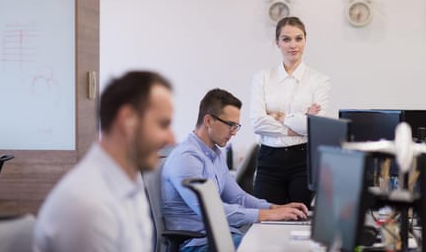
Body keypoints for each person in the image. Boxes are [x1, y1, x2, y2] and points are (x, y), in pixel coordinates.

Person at [33, 71, 175, 252]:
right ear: (128, 120)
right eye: (163, 124)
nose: (172, 139)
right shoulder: (89, 205)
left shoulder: (129, 183)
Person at [162, 88, 308, 252]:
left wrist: (275, 208)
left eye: (236, 126)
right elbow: (212, 212)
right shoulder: (186, 158)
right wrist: (266, 215)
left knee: (280, 242)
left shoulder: (214, 154)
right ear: (209, 121)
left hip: (222, 237)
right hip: (196, 244)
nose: (234, 133)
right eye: (230, 125)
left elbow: (238, 198)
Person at [250, 16, 330, 208]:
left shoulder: (319, 80)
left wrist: (279, 116)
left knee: (299, 219)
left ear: (305, 40)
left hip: (303, 161)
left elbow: (316, 126)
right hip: (269, 160)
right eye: (286, 39)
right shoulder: (262, 78)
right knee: (266, 219)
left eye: (298, 38)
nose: (293, 45)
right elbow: (257, 123)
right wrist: (296, 125)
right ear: (277, 42)